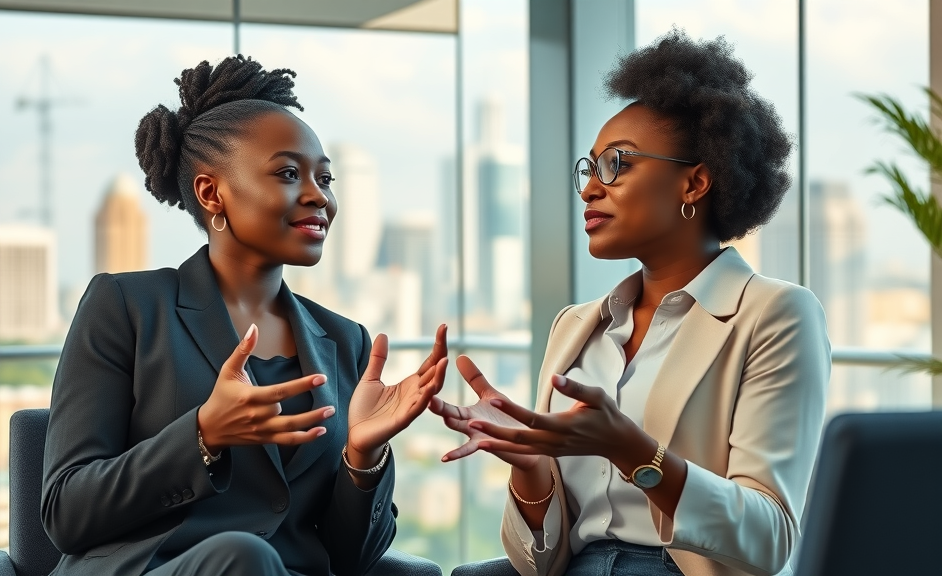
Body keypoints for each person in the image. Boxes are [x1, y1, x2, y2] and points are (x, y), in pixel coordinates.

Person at [431, 30, 830, 576]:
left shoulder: (775, 314)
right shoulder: (576, 326)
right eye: (589, 168)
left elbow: (768, 537)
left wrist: (633, 451)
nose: (591, 188)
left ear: (694, 183)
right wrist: (529, 466)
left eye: (617, 164)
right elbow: (537, 564)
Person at [41, 55, 448, 576]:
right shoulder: (125, 308)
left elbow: (350, 560)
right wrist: (204, 433)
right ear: (212, 192)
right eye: (287, 173)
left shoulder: (346, 342)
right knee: (244, 557)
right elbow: (65, 513)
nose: (317, 195)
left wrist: (362, 460)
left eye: (325, 178)